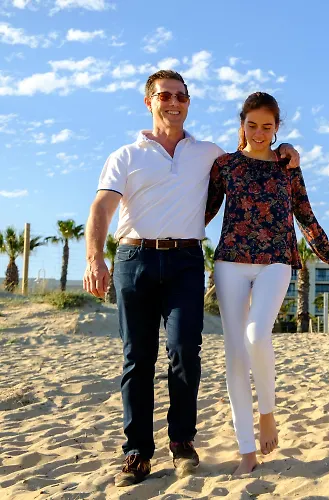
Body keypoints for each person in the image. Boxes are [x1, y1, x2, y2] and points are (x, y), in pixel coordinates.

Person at [82, 70, 300, 487]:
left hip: (185, 260)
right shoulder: (125, 155)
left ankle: (182, 442)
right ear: (149, 101)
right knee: (137, 357)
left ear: (188, 103)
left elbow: (252, 155)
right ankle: (136, 453)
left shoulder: (208, 154)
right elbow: (101, 208)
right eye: (165, 96)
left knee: (185, 351)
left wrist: (286, 150)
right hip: (134, 258)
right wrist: (95, 258)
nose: (174, 103)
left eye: (181, 96)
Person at [205, 92, 329, 474]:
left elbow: (305, 215)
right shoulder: (225, 165)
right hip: (230, 261)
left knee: (257, 335)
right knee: (235, 354)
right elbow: (201, 212)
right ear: (242, 124)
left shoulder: (288, 166)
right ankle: (246, 450)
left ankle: (268, 413)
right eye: (252, 125)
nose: (259, 133)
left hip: (276, 260)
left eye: (267, 126)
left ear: (277, 128)